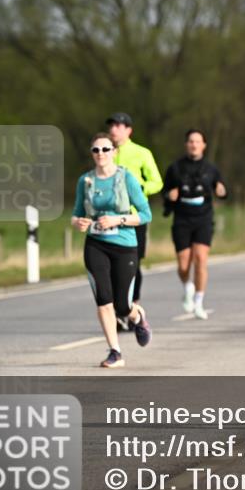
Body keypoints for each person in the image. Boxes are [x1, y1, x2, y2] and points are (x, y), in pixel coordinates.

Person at [71, 132, 153, 368]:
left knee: (122, 305)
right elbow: (77, 213)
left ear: (114, 153)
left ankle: (138, 317)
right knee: (103, 300)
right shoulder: (85, 181)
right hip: (95, 244)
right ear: (92, 154)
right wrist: (79, 223)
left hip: (125, 246)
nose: (101, 154)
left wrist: (118, 221)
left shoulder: (126, 179)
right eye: (96, 150)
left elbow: (145, 214)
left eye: (106, 149)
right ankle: (115, 352)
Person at [107, 113, 163, 330]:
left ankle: (132, 307)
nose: (114, 129)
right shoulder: (105, 152)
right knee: (109, 265)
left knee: (132, 263)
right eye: (112, 125)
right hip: (108, 217)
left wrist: (141, 189)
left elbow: (157, 181)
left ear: (129, 130)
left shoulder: (142, 153)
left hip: (133, 217)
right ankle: (116, 310)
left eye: (119, 125)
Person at [162, 129, 227, 319]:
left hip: (203, 218)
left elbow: (221, 188)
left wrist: (222, 190)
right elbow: (165, 192)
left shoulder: (211, 169)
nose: (194, 145)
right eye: (191, 141)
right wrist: (169, 196)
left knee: (200, 259)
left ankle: (199, 301)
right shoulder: (175, 168)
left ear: (204, 145)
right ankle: (187, 287)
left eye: (198, 142)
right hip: (182, 218)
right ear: (186, 144)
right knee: (183, 265)